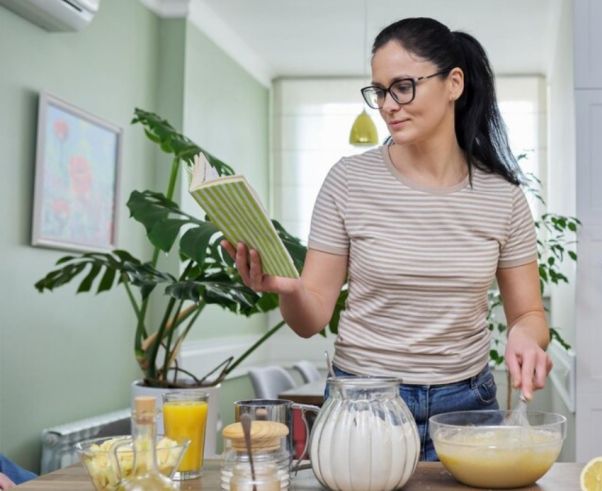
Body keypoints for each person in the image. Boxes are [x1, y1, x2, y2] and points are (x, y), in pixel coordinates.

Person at [223, 17, 553, 461]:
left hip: (465, 409)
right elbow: (309, 319)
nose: (388, 105)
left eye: (402, 87)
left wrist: (526, 337)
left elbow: (529, 312)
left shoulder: (504, 198)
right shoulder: (348, 180)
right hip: (362, 403)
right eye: (379, 91)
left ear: (453, 83)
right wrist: (287, 289)